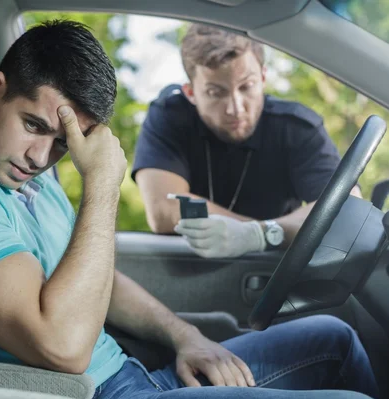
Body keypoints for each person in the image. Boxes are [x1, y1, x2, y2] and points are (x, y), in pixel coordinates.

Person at [0, 20, 377, 399]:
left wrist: (187, 337)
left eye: (63, 144)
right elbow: (64, 345)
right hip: (97, 392)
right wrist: (101, 181)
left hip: (132, 375)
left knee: (333, 337)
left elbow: (101, 281)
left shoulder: (21, 176)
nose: (40, 158)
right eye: (33, 125)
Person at [132, 24, 361, 259]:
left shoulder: (297, 128)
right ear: (191, 93)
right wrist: (283, 229)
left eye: (246, 86)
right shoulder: (170, 116)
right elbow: (164, 209)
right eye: (215, 92)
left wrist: (257, 235)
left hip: (272, 273)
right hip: (190, 270)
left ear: (262, 77)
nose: (235, 108)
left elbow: (347, 210)